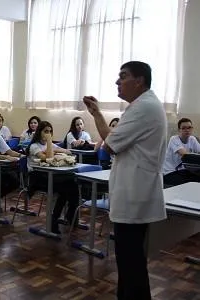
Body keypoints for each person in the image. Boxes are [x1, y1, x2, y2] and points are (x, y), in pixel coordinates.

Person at [83, 61, 167, 300]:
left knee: (131, 265)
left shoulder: (143, 107)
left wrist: (98, 114)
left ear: (139, 80)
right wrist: (98, 114)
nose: (117, 81)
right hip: (135, 192)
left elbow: (109, 146)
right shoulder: (147, 105)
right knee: (131, 264)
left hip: (134, 195)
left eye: (123, 76)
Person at [26, 121, 77, 234]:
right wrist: (49, 142)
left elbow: (68, 151)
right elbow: (49, 157)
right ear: (39, 132)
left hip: (49, 175)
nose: (48, 134)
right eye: (46, 131)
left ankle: (70, 215)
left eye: (50, 132)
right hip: (37, 178)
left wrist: (54, 149)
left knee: (72, 184)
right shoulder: (34, 146)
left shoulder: (49, 146)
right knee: (64, 189)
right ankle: (54, 220)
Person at [163, 118, 200, 186]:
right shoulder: (174, 139)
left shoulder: (192, 139)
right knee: (189, 184)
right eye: (184, 128)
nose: (187, 130)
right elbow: (185, 155)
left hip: (184, 171)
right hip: (170, 172)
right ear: (179, 130)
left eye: (189, 127)